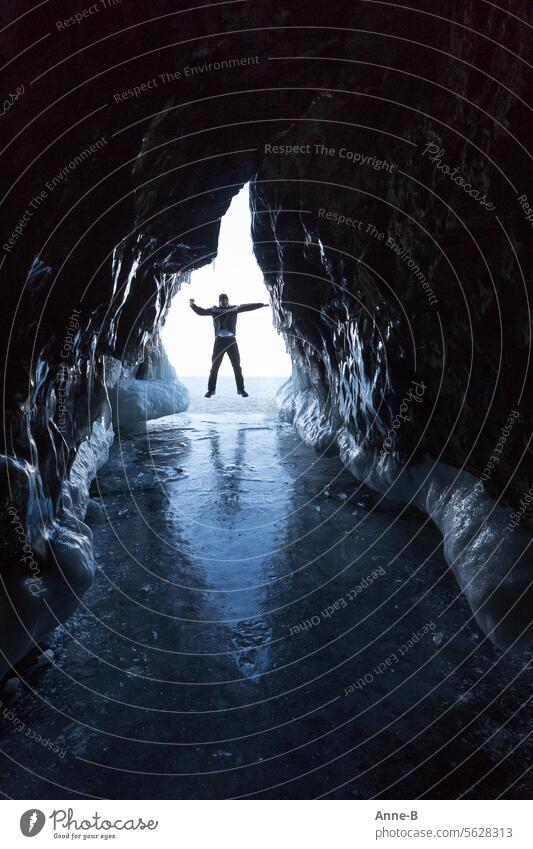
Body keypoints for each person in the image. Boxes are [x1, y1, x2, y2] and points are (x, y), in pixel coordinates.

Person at [189, 293, 269, 397]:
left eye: (225, 300)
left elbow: (247, 307)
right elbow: (201, 312)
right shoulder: (214, 310)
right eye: (222, 300)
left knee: (237, 366)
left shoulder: (234, 309)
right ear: (219, 301)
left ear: (228, 301)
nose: (224, 301)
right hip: (219, 341)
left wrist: (261, 305)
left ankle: (241, 390)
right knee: (215, 366)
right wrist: (192, 305)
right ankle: (211, 390)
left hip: (231, 341)